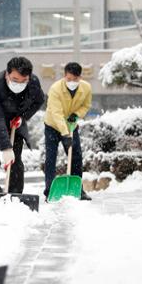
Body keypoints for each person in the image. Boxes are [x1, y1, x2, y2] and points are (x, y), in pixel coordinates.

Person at [0, 57, 45, 193]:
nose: (19, 84)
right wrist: (5, 148)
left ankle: (15, 194)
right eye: (15, 80)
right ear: (7, 74)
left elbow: (39, 100)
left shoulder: (33, 83)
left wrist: (22, 117)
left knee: (15, 161)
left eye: (24, 81)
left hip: (14, 125)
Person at [43, 62, 92, 201]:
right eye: (69, 79)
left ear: (80, 77)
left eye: (75, 79)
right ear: (65, 76)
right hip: (52, 125)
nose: (72, 82)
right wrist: (64, 134)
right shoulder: (55, 89)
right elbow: (56, 113)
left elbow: (86, 105)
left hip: (71, 124)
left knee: (76, 157)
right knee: (51, 158)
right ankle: (49, 191)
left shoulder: (86, 88)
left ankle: (79, 190)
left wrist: (76, 115)